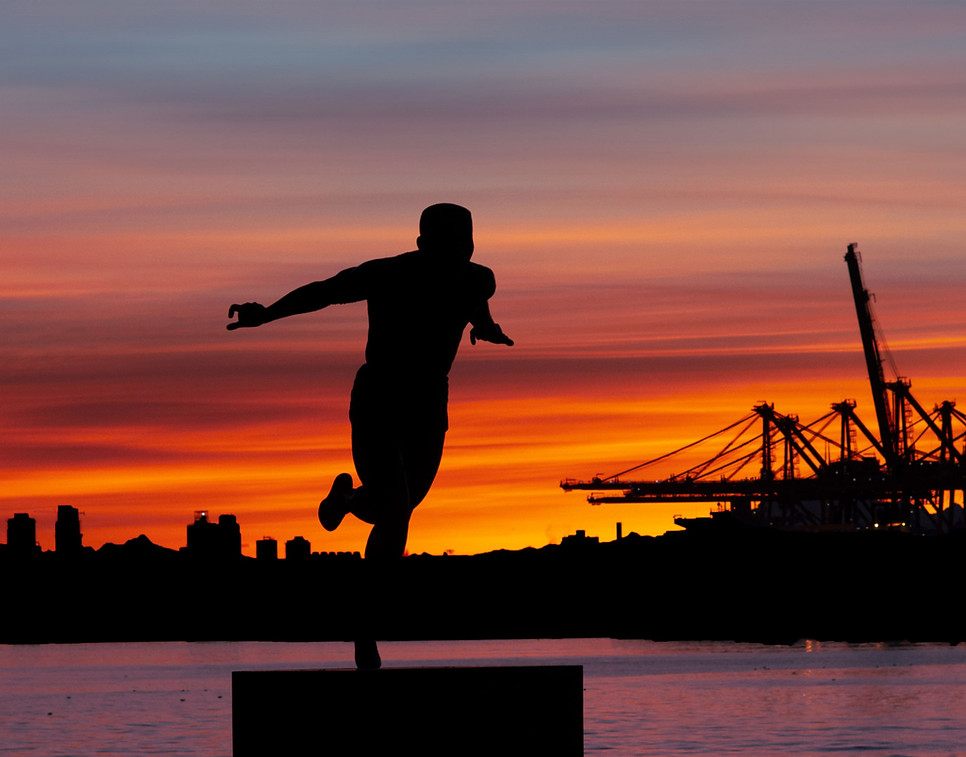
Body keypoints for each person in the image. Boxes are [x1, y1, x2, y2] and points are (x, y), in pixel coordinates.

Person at [227, 203, 513, 668]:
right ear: (421, 246)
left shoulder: (478, 278)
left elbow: (475, 304)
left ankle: (345, 501)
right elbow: (323, 292)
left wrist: (487, 327)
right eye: (444, 247)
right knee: (397, 509)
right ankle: (365, 630)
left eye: (462, 248)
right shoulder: (387, 274)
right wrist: (266, 314)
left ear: (471, 248)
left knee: (394, 508)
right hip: (380, 396)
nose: (454, 257)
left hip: (428, 404)